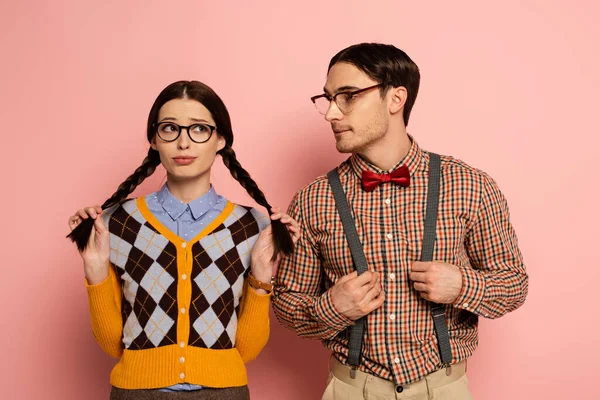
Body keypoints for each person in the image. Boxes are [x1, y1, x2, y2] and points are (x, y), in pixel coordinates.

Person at [272, 43, 528, 400]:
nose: (331, 113)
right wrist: (331, 307)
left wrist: (462, 286)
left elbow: (514, 284)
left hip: (444, 388)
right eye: (328, 98)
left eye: (347, 96)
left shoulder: (470, 185)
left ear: (396, 98)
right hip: (350, 388)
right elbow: (286, 304)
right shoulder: (312, 199)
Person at [67, 80, 299, 400]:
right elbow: (112, 343)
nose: (183, 143)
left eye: (199, 129)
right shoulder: (116, 224)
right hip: (137, 392)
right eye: (170, 129)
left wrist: (261, 270)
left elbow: (245, 349)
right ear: (154, 139)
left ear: (220, 139)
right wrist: (94, 268)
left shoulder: (253, 226)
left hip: (224, 392)